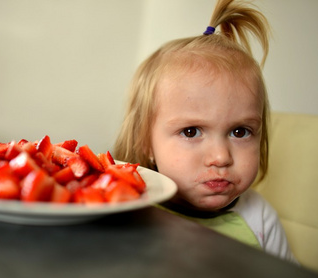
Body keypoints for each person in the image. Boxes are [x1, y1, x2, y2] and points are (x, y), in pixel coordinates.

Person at [113, 0, 297, 263]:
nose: (221, 157)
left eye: (240, 132)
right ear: (146, 144)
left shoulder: (260, 219)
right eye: (190, 132)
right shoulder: (129, 208)